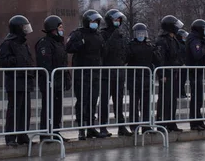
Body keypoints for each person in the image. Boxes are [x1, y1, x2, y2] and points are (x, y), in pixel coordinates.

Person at [66, 10, 107, 140]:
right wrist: (81, 44)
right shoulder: (78, 34)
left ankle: (91, 127)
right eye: (92, 22)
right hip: (82, 74)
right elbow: (69, 48)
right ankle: (81, 129)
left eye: (96, 22)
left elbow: (103, 51)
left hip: (94, 73)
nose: (95, 24)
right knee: (82, 101)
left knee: (93, 101)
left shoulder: (98, 35)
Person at [0, 15, 36, 146]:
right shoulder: (8, 43)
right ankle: (11, 137)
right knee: (14, 110)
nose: (26, 29)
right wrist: (15, 62)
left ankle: (22, 135)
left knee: (25, 111)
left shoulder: (23, 43)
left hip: (25, 81)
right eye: (24, 27)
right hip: (15, 81)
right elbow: (0, 60)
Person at [36, 15, 70, 142]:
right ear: (53, 28)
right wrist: (52, 78)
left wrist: (66, 78)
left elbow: (63, 63)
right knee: (48, 109)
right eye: (60, 27)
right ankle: (45, 133)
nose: (62, 29)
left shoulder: (59, 43)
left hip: (58, 82)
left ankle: (55, 131)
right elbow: (46, 64)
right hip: (49, 82)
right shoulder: (44, 44)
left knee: (57, 109)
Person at [99, 9, 132, 137]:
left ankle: (121, 126)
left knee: (118, 101)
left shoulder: (121, 35)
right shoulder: (103, 34)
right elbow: (104, 51)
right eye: (115, 20)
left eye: (119, 20)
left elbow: (125, 52)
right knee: (104, 101)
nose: (117, 22)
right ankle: (102, 126)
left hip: (118, 73)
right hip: (106, 73)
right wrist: (113, 36)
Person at [125, 23, 162, 133]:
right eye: (139, 33)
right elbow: (126, 58)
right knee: (134, 105)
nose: (141, 35)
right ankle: (134, 126)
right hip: (134, 79)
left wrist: (156, 51)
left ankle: (146, 126)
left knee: (146, 105)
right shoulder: (130, 46)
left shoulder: (149, 46)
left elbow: (157, 61)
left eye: (143, 33)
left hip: (146, 79)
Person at [155, 15, 185, 132]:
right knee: (165, 99)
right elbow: (160, 59)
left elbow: (178, 55)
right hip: (166, 74)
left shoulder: (174, 39)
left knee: (173, 99)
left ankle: (171, 122)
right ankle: (162, 122)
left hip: (174, 73)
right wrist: (161, 75)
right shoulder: (162, 40)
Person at [186, 19, 205, 131]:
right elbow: (197, 55)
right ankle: (194, 122)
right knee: (196, 97)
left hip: (199, 71)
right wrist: (203, 48)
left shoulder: (199, 39)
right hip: (195, 71)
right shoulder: (194, 40)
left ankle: (199, 120)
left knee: (199, 98)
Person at [177, 29, 189, 98]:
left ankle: (182, 93)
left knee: (183, 80)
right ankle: (179, 93)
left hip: (184, 64)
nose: (184, 38)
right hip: (180, 65)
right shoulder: (178, 44)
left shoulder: (183, 44)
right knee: (180, 80)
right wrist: (182, 63)